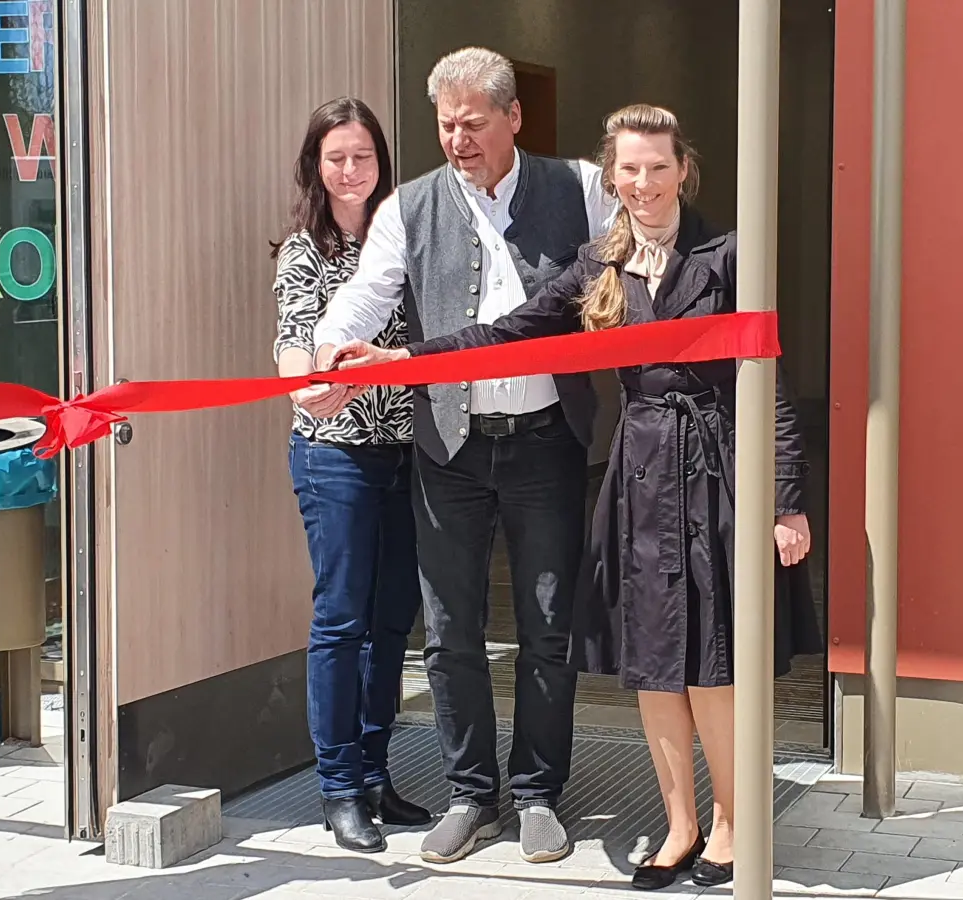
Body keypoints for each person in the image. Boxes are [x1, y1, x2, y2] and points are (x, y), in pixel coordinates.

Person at [333, 104, 822, 892]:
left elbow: (774, 385)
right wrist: (402, 358)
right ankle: (681, 826)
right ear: (613, 175)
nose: (643, 183)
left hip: (717, 471)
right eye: (628, 169)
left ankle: (733, 822)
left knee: (713, 664)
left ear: (683, 171)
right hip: (638, 475)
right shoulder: (602, 259)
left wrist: (786, 499)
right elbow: (510, 331)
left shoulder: (731, 256)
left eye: (658, 167)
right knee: (656, 666)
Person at [304, 47, 616, 866]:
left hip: (549, 442)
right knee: (450, 634)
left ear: (513, 117)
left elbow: (639, 253)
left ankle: (541, 793)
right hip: (449, 448)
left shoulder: (581, 187)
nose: (458, 140)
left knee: (549, 628)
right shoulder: (408, 206)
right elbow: (368, 294)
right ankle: (472, 793)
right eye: (446, 125)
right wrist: (328, 353)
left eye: (474, 124)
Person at [271, 97, 429, 853]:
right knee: (342, 619)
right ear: (317, 164)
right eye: (336, 156)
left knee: (392, 618)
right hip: (333, 453)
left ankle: (374, 772)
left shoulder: (405, 235)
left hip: (407, 452)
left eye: (362, 155)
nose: (350, 169)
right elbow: (294, 339)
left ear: (381, 162)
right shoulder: (304, 249)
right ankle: (337, 788)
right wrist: (305, 384)